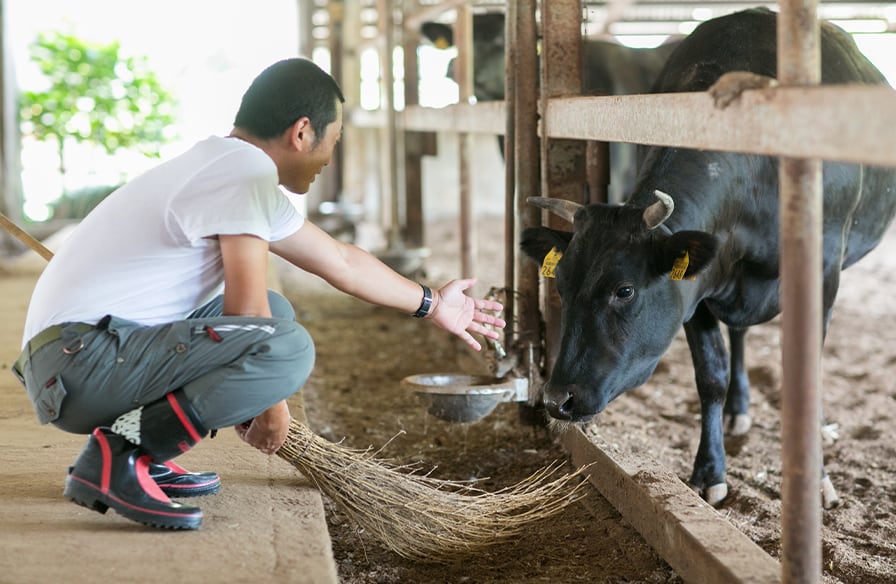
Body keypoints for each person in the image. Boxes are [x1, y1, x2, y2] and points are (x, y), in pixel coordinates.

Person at [12, 58, 505, 530]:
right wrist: (272, 401)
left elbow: (341, 261)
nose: (328, 158)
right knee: (285, 347)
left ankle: (142, 448)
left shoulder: (228, 167)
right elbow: (245, 314)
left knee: (281, 314)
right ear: (302, 132)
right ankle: (120, 458)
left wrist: (434, 303)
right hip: (80, 366)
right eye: (332, 141)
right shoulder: (241, 177)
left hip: (79, 360)